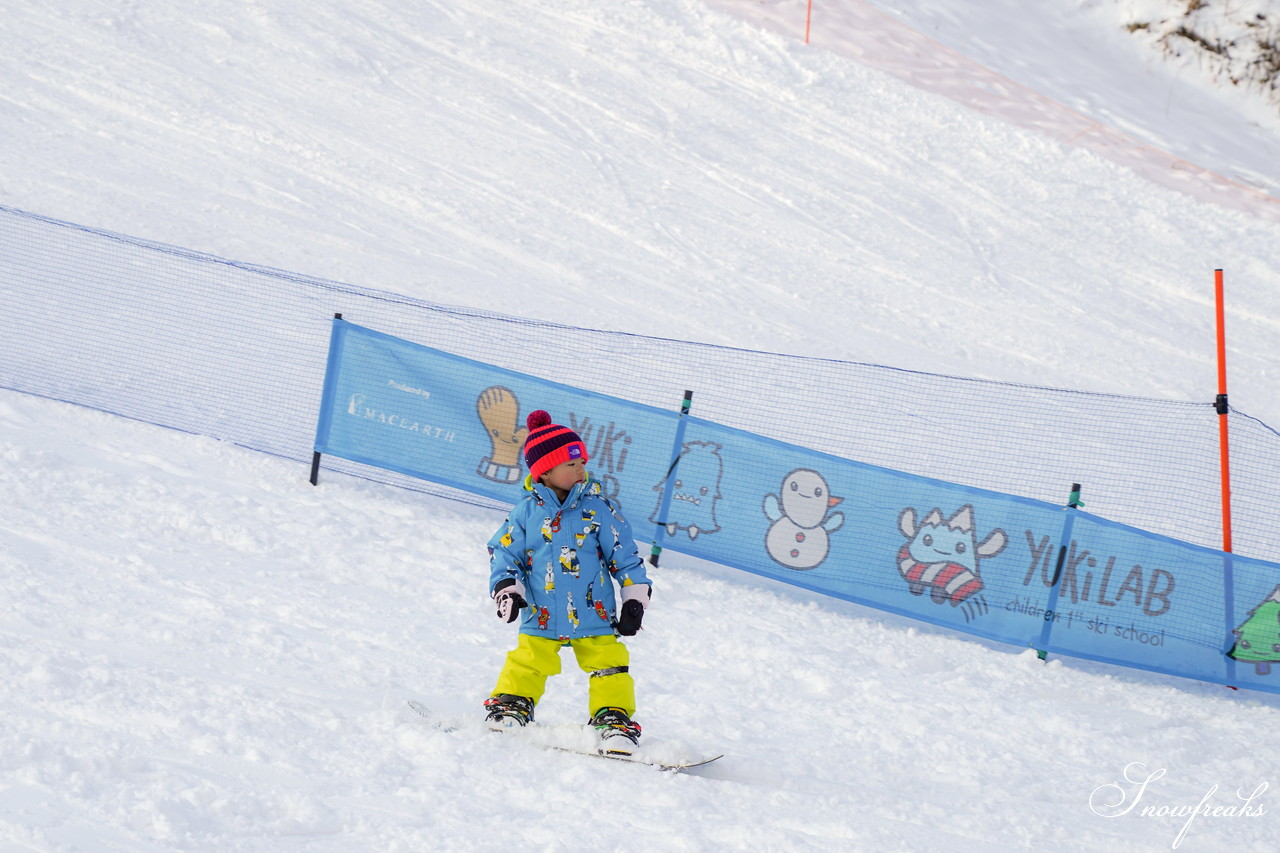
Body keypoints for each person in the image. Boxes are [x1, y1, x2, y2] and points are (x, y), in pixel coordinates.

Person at [484, 410, 652, 754]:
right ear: (544, 471)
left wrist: (634, 598)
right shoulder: (525, 514)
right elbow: (504, 554)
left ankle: (614, 718)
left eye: (582, 463)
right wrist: (507, 589)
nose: (581, 471)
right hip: (541, 610)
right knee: (528, 659)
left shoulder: (598, 511)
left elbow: (625, 555)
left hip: (594, 610)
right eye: (571, 465)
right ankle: (512, 705)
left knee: (610, 664)